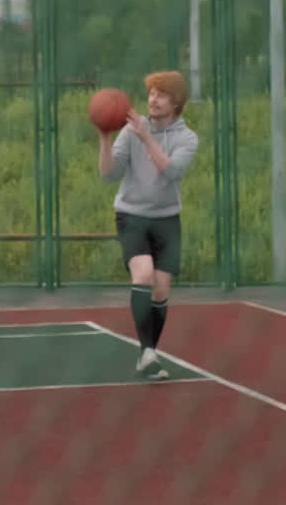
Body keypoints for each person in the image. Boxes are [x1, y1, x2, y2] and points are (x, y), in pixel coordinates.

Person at [97, 71, 200, 380]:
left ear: (176, 102)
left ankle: (147, 353)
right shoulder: (131, 132)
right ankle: (149, 352)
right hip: (132, 216)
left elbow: (170, 172)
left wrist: (146, 137)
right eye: (151, 93)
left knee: (161, 289)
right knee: (142, 274)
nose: (153, 99)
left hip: (167, 219)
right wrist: (104, 138)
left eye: (161, 94)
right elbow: (109, 174)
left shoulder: (187, 138)